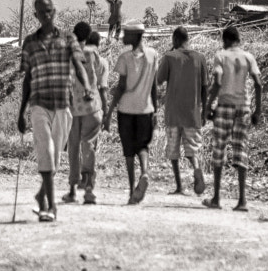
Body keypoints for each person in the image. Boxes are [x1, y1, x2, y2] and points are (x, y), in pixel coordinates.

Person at [16, 0, 95, 223]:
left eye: (49, 11)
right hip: (39, 105)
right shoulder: (30, 43)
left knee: (55, 160)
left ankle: (41, 195)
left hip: (63, 105)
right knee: (46, 153)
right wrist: (22, 111)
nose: (46, 15)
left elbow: (79, 65)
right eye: (42, 12)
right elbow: (27, 78)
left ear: (54, 12)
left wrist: (88, 87)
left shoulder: (68, 39)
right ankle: (50, 207)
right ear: (36, 15)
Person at [204, 25, 263, 212]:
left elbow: (218, 83)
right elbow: (259, 84)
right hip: (243, 107)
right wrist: (257, 111)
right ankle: (242, 200)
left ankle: (216, 198)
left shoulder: (221, 56)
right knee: (241, 150)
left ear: (225, 40)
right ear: (238, 40)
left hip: (225, 106)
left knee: (219, 150)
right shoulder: (248, 57)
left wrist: (208, 106)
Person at [153, 27, 207, 196]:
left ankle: (179, 186)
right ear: (188, 39)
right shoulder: (200, 58)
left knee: (173, 151)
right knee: (192, 150)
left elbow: (158, 80)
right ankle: (197, 169)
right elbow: (205, 87)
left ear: (175, 40)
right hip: (193, 113)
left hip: (173, 113)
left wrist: (168, 55)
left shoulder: (170, 57)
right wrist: (204, 110)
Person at [108, 24, 158, 204]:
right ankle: (144, 173)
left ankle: (131, 192)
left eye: (126, 34)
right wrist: (156, 110)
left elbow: (121, 87)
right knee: (143, 146)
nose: (122, 37)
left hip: (127, 110)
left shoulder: (124, 58)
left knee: (128, 151)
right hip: (146, 110)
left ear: (134, 36)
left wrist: (109, 113)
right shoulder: (153, 55)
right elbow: (154, 85)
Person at [63, 23, 105, 205]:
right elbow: (95, 73)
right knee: (89, 146)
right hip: (92, 106)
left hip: (73, 107)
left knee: (73, 148)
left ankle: (72, 189)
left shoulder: (69, 53)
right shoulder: (92, 52)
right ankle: (88, 188)